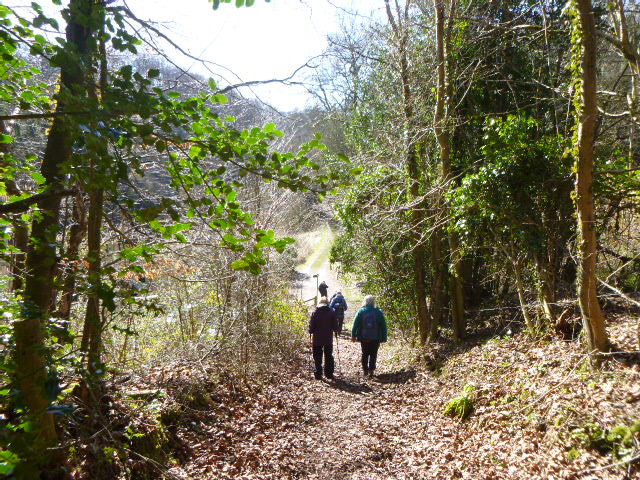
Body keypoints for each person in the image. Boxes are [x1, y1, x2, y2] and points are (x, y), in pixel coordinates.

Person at [351, 295, 388, 377]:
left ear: (365, 302)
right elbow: (383, 326)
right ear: (373, 302)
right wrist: (384, 337)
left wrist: (353, 335)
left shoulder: (361, 311)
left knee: (365, 353)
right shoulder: (378, 312)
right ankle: (371, 370)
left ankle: (365, 370)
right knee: (373, 354)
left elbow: (355, 324)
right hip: (375, 338)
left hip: (364, 337)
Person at [309, 297, 339, 380]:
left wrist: (310, 330)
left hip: (317, 339)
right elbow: (335, 326)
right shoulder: (331, 312)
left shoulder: (315, 312)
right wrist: (336, 330)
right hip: (328, 339)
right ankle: (329, 374)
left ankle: (318, 373)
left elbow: (312, 327)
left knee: (317, 356)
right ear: (327, 303)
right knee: (328, 355)